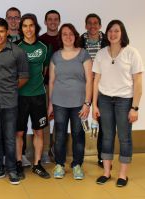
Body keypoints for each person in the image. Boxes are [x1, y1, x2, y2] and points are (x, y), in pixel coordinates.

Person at [93, 20, 144, 187]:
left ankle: (123, 175)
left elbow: (138, 82)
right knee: (107, 136)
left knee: (124, 137)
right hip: (105, 100)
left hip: (124, 101)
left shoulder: (132, 53)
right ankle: (106, 172)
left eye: (116, 31)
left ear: (122, 33)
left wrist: (135, 107)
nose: (112, 34)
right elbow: (96, 81)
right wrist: (95, 104)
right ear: (106, 34)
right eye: (110, 31)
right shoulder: (101, 54)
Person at [0, 18, 29, 185]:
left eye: (1, 31)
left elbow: (24, 76)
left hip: (10, 102)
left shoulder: (17, 52)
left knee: (10, 137)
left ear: (7, 32)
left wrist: (11, 89)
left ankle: (12, 170)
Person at [47, 23, 93, 180]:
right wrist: (50, 104)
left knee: (78, 134)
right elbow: (52, 82)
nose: (68, 36)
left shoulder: (83, 54)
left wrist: (87, 103)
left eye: (71, 33)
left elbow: (89, 80)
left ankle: (77, 165)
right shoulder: (56, 56)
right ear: (61, 37)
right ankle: (59, 164)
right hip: (59, 102)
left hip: (79, 103)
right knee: (59, 135)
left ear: (75, 36)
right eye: (64, 34)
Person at [14, 13, 51, 180]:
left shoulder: (44, 47)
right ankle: (18, 163)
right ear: (21, 29)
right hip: (20, 96)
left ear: (36, 27)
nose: (28, 29)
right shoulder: (16, 47)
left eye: (31, 25)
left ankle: (37, 164)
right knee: (19, 132)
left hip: (38, 96)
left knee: (38, 131)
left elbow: (45, 71)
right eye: (25, 26)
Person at [80, 13, 107, 168]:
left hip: (103, 87)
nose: (92, 26)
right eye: (89, 23)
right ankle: (79, 158)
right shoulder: (79, 40)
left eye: (95, 23)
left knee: (102, 122)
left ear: (100, 25)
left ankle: (102, 157)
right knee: (81, 120)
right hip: (83, 86)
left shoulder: (107, 40)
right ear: (85, 25)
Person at [39, 9, 61, 164]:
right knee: (46, 119)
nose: (53, 22)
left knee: (62, 119)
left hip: (64, 87)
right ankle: (45, 150)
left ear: (59, 21)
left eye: (56, 19)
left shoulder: (66, 38)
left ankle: (58, 150)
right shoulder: (40, 40)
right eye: (50, 19)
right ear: (45, 22)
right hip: (46, 86)